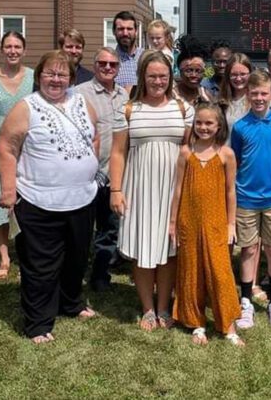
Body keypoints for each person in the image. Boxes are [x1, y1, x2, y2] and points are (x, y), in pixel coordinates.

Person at [0, 50, 99, 343]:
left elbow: (94, 135)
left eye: (62, 74)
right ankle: (38, 323)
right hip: (39, 200)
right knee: (41, 265)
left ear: (71, 78)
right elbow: (6, 146)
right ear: (39, 76)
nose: (56, 79)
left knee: (76, 258)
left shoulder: (81, 101)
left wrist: (88, 164)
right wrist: (8, 190)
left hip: (82, 198)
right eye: (50, 74)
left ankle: (71, 303)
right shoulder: (27, 107)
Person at [109, 50, 194, 331]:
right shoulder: (128, 110)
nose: (158, 81)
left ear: (170, 77)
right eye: (152, 76)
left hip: (174, 189)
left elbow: (189, 149)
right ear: (142, 77)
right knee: (143, 247)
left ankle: (164, 306)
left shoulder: (183, 109)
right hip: (139, 188)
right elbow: (118, 152)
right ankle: (147, 308)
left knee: (169, 249)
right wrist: (116, 190)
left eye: (163, 76)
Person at [169, 102, 244, 347]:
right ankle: (196, 322)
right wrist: (173, 222)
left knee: (220, 273)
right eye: (199, 123)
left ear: (219, 125)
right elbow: (178, 190)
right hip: (188, 220)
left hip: (216, 222)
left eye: (209, 123)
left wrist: (231, 224)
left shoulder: (226, 154)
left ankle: (228, 325)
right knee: (192, 271)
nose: (203, 127)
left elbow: (230, 191)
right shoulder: (185, 153)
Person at [232, 70, 271, 330]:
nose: (259, 98)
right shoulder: (240, 127)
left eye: (264, 93)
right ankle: (246, 301)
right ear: (248, 94)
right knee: (248, 250)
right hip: (246, 198)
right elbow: (236, 160)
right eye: (254, 93)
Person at [0, 31, 34, 280]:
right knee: (0, 197)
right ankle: (4, 258)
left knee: (26, 201)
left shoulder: (33, 77)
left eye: (17, 46)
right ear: (2, 49)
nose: (13, 51)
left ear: (24, 50)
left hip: (27, 142)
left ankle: (27, 256)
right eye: (8, 46)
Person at [75, 47, 129, 292]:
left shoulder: (124, 96)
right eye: (103, 63)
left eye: (113, 64)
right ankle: (76, 273)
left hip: (113, 174)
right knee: (82, 229)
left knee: (109, 228)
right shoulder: (79, 93)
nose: (108, 68)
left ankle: (100, 274)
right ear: (94, 65)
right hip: (87, 174)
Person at [219, 53, 252, 143]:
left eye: (243, 74)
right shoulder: (221, 103)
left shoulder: (257, 101)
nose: (238, 78)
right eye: (234, 74)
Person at [174, 35, 213, 106]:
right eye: (188, 70)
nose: (194, 75)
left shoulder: (206, 95)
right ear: (180, 70)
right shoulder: (171, 95)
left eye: (198, 71)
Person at [112, 11, 144, 90]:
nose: (125, 33)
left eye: (129, 29)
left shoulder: (146, 57)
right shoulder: (109, 61)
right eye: (121, 29)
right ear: (114, 32)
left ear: (136, 31)